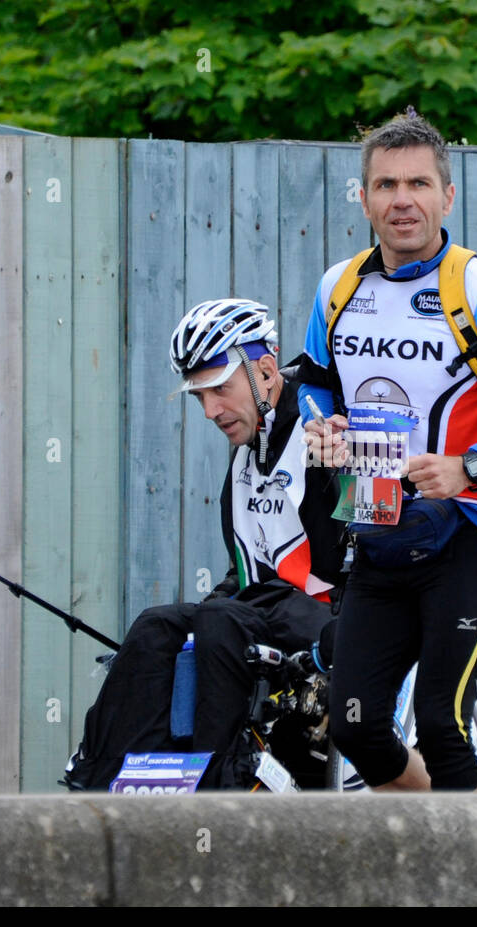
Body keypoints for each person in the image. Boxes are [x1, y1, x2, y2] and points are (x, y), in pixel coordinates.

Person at [295, 110, 477, 791]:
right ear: (362, 197)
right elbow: (313, 383)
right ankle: (442, 838)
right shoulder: (339, 289)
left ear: (447, 197)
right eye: (386, 184)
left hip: (469, 539)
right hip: (377, 530)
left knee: (441, 722)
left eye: (419, 184)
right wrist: (322, 425)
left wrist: (469, 467)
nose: (403, 200)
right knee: (355, 725)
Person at [63, 298, 346, 790]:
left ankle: (218, 784)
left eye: (219, 388)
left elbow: (356, 540)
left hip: (325, 612)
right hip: (260, 608)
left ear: (264, 369)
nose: (211, 410)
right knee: (156, 627)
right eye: (199, 396)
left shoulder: (320, 427)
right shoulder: (246, 448)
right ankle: (103, 782)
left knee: (218, 620)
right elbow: (248, 564)